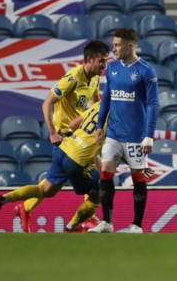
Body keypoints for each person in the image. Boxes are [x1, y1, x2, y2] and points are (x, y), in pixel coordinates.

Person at [14, 40, 110, 232]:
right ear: (89, 60)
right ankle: (87, 218)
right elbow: (47, 103)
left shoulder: (94, 79)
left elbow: (96, 103)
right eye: (101, 61)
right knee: (77, 176)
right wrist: (52, 132)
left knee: (57, 180)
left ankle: (25, 207)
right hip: (64, 136)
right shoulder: (72, 78)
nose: (104, 65)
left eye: (105, 61)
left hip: (79, 134)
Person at [0, 102, 104, 232]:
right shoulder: (116, 116)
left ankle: (2, 199)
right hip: (75, 156)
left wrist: (82, 139)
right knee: (97, 194)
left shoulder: (99, 104)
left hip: (65, 147)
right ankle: (72, 226)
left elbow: (73, 124)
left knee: (46, 190)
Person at [88, 28, 159, 233]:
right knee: (106, 173)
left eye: (118, 45)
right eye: (114, 44)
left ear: (130, 46)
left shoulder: (146, 70)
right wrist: (100, 126)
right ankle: (107, 222)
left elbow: (153, 104)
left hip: (136, 136)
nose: (114, 48)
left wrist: (149, 135)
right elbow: (107, 98)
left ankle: (137, 225)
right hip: (113, 134)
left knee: (138, 178)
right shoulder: (111, 69)